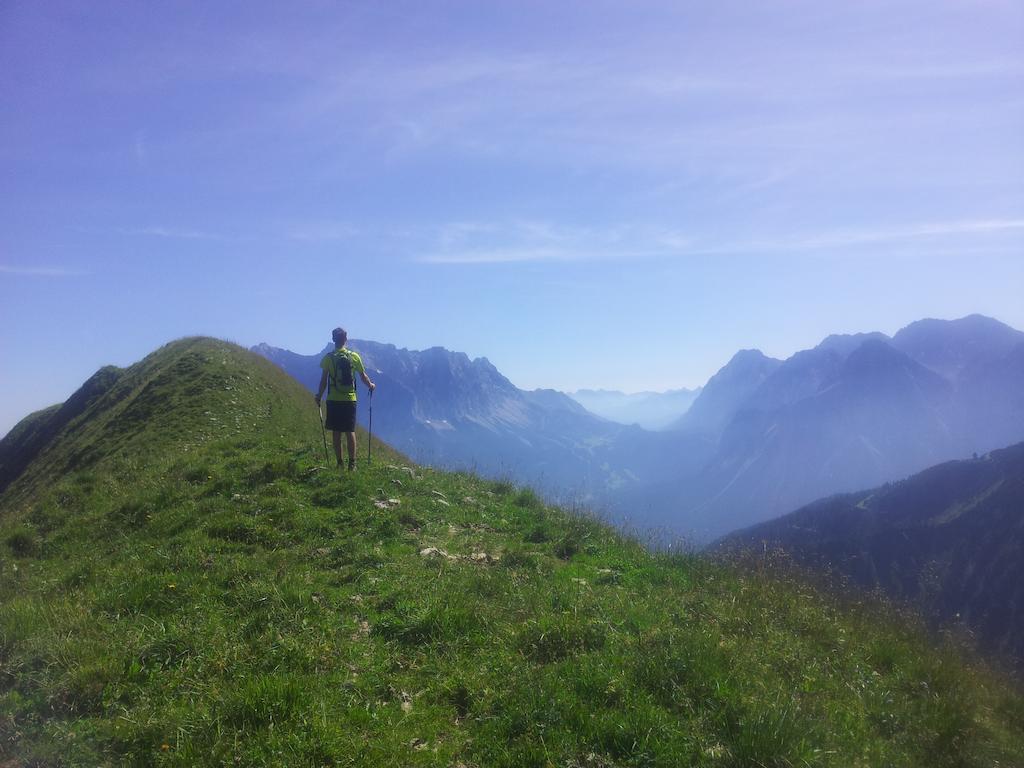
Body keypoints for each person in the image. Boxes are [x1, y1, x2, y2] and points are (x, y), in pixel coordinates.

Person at [315, 327, 375, 470]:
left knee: (336, 432)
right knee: (350, 431)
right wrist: (371, 385)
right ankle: (352, 464)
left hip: (333, 399)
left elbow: (324, 381)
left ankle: (339, 463)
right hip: (349, 399)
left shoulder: (328, 358)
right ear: (346, 339)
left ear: (333, 340)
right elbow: (363, 377)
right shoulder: (354, 357)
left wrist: (319, 396)